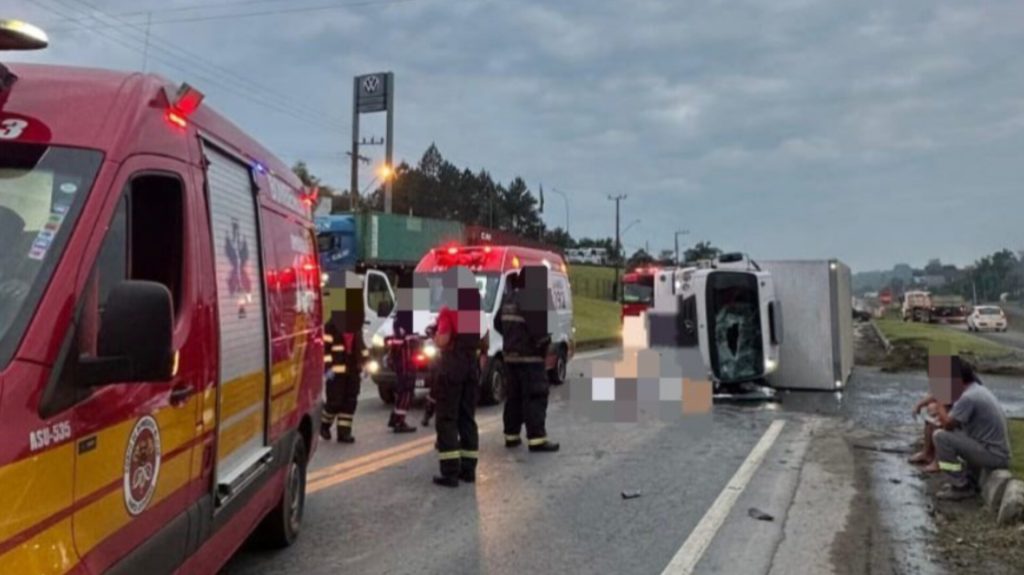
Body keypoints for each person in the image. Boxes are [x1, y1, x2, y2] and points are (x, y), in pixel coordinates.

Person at [496, 267, 559, 452]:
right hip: (531, 360)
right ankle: (537, 439)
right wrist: (542, 346)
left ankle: (511, 436)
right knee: (535, 397)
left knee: (513, 399)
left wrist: (511, 339)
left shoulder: (508, 298)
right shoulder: (533, 298)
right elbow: (541, 333)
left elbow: (497, 324)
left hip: (510, 359)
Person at [930, 360, 1011, 500]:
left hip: (994, 455)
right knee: (950, 434)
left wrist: (939, 405)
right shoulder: (976, 389)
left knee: (940, 437)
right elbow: (955, 425)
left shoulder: (968, 397)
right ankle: (967, 480)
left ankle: (961, 486)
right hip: (994, 450)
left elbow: (948, 425)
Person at [432, 267, 482, 488]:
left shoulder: (448, 309)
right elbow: (482, 339)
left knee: (446, 419)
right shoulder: (474, 309)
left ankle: (450, 472)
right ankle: (468, 469)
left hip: (452, 367)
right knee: (467, 418)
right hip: (471, 366)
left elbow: (443, 339)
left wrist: (434, 337)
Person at [320, 272, 368, 444]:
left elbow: (360, 346)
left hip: (353, 369)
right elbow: (325, 350)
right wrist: (328, 369)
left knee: (350, 401)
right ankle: (324, 425)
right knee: (334, 402)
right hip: (336, 371)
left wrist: (365, 364)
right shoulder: (331, 325)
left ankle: (344, 433)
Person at [386, 321, 418, 433]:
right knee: (405, 394)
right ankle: (398, 421)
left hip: (409, 365)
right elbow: (397, 345)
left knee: (406, 393)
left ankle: (396, 419)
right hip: (405, 366)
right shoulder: (402, 323)